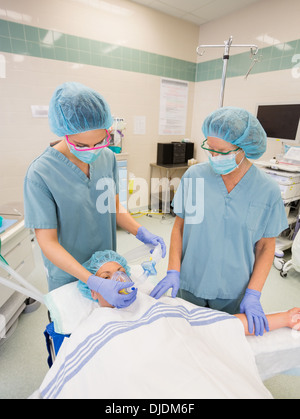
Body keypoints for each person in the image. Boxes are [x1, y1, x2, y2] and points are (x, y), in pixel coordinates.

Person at [24, 82, 166, 308]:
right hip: (68, 274)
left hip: (107, 269)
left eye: (99, 142)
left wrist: (140, 231)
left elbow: (114, 206)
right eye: (81, 144)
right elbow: (47, 242)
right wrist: (91, 281)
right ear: (64, 134)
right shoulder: (41, 173)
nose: (92, 150)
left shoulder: (107, 157)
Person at [150, 106, 289, 336]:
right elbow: (179, 228)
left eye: (221, 151)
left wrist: (253, 293)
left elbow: (266, 246)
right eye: (210, 149)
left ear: (243, 150)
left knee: (222, 347)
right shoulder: (195, 176)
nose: (214, 156)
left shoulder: (267, 190)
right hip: (190, 282)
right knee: (187, 341)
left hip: (233, 290)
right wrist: (173, 270)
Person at [77, 250, 300, 337]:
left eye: (121, 272)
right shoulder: (94, 324)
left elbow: (218, 323)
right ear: (93, 292)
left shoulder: (151, 301)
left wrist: (285, 318)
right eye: (105, 278)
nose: (117, 279)